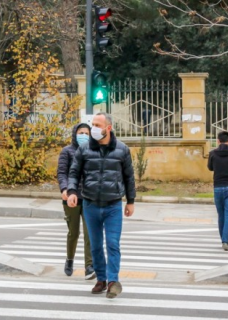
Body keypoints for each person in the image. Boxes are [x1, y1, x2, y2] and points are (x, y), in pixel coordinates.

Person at [67, 112, 136, 299]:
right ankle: (101, 279)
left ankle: (113, 281)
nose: (93, 129)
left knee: (113, 244)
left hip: (113, 205)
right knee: (96, 246)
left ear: (108, 128)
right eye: (93, 125)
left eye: (98, 125)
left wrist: (130, 201)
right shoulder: (84, 149)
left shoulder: (122, 150)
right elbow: (74, 173)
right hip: (90, 204)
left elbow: (129, 177)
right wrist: (72, 191)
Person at [57, 123, 96, 280]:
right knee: (74, 232)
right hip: (71, 198)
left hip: (88, 198)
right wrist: (64, 189)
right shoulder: (67, 151)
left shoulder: (93, 151)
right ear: (75, 134)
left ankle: (89, 266)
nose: (84, 136)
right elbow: (61, 173)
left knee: (89, 233)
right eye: (81, 132)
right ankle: (69, 260)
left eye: (87, 133)